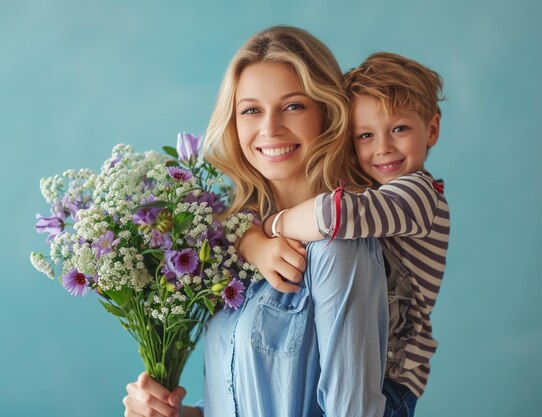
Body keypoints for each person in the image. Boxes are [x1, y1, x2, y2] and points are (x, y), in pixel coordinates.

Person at [122, 26, 389, 417]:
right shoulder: (229, 248)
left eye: (293, 106)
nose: (269, 128)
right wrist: (173, 414)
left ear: (327, 114)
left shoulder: (338, 247)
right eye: (251, 110)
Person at [242, 52, 450, 417]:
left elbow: (334, 213)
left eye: (399, 128)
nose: (383, 147)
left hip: (391, 383)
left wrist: (271, 226)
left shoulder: (419, 194)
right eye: (366, 135)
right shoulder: (376, 191)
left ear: (431, 129)